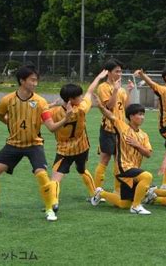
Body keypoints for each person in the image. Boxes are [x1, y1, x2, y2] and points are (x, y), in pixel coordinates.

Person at [0, 65, 73, 222]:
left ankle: (49, 209)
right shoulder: (7, 100)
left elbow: (51, 127)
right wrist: (11, 124)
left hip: (34, 144)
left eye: (36, 80)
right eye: (32, 80)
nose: (35, 83)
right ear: (22, 80)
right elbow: (0, 115)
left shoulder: (41, 102)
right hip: (13, 144)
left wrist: (66, 119)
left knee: (42, 174)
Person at [49, 70, 108, 211]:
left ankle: (53, 203)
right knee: (82, 170)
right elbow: (90, 92)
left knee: (56, 178)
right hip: (82, 147)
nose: (81, 97)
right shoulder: (82, 109)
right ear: (71, 99)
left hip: (64, 150)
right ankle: (94, 194)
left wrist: (50, 106)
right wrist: (98, 77)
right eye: (78, 96)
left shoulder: (54, 112)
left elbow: (41, 116)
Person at [91, 100, 153, 215]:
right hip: (123, 168)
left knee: (124, 204)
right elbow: (110, 115)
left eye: (143, 114)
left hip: (133, 171)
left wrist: (137, 145)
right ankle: (136, 206)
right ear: (131, 116)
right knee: (147, 176)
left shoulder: (144, 135)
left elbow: (148, 154)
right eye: (139, 114)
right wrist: (100, 106)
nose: (142, 117)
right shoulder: (122, 127)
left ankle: (101, 193)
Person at [94, 59, 134, 191]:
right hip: (109, 128)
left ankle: (118, 190)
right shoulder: (103, 87)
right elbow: (108, 107)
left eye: (121, 71)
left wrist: (128, 91)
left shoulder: (120, 88)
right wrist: (116, 90)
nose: (119, 74)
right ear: (108, 73)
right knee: (105, 159)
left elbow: (127, 108)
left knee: (119, 161)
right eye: (117, 71)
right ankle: (97, 191)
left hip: (121, 129)